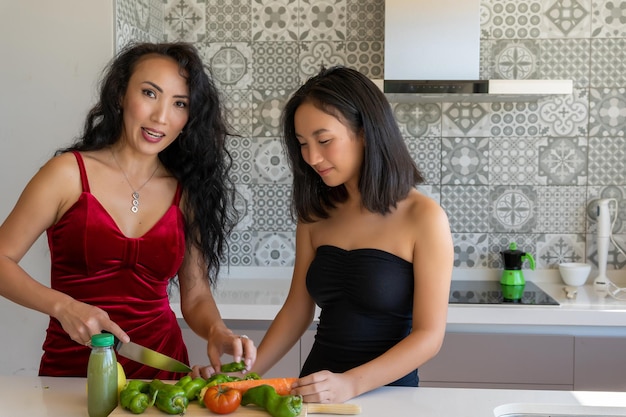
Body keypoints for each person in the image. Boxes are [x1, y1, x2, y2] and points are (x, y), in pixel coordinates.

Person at [0, 42, 255, 380]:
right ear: (120, 93)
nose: (161, 117)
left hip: (162, 374)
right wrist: (62, 306)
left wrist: (217, 331)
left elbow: (195, 296)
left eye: (179, 104)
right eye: (150, 93)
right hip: (75, 374)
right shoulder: (67, 174)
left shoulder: (187, 193)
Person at [250, 66, 454, 403]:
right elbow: (297, 310)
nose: (312, 157)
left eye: (324, 140)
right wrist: (246, 374)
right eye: (303, 144)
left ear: (365, 131)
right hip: (315, 393)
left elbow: (429, 336)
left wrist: (350, 384)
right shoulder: (316, 213)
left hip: (387, 397)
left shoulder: (424, 217)